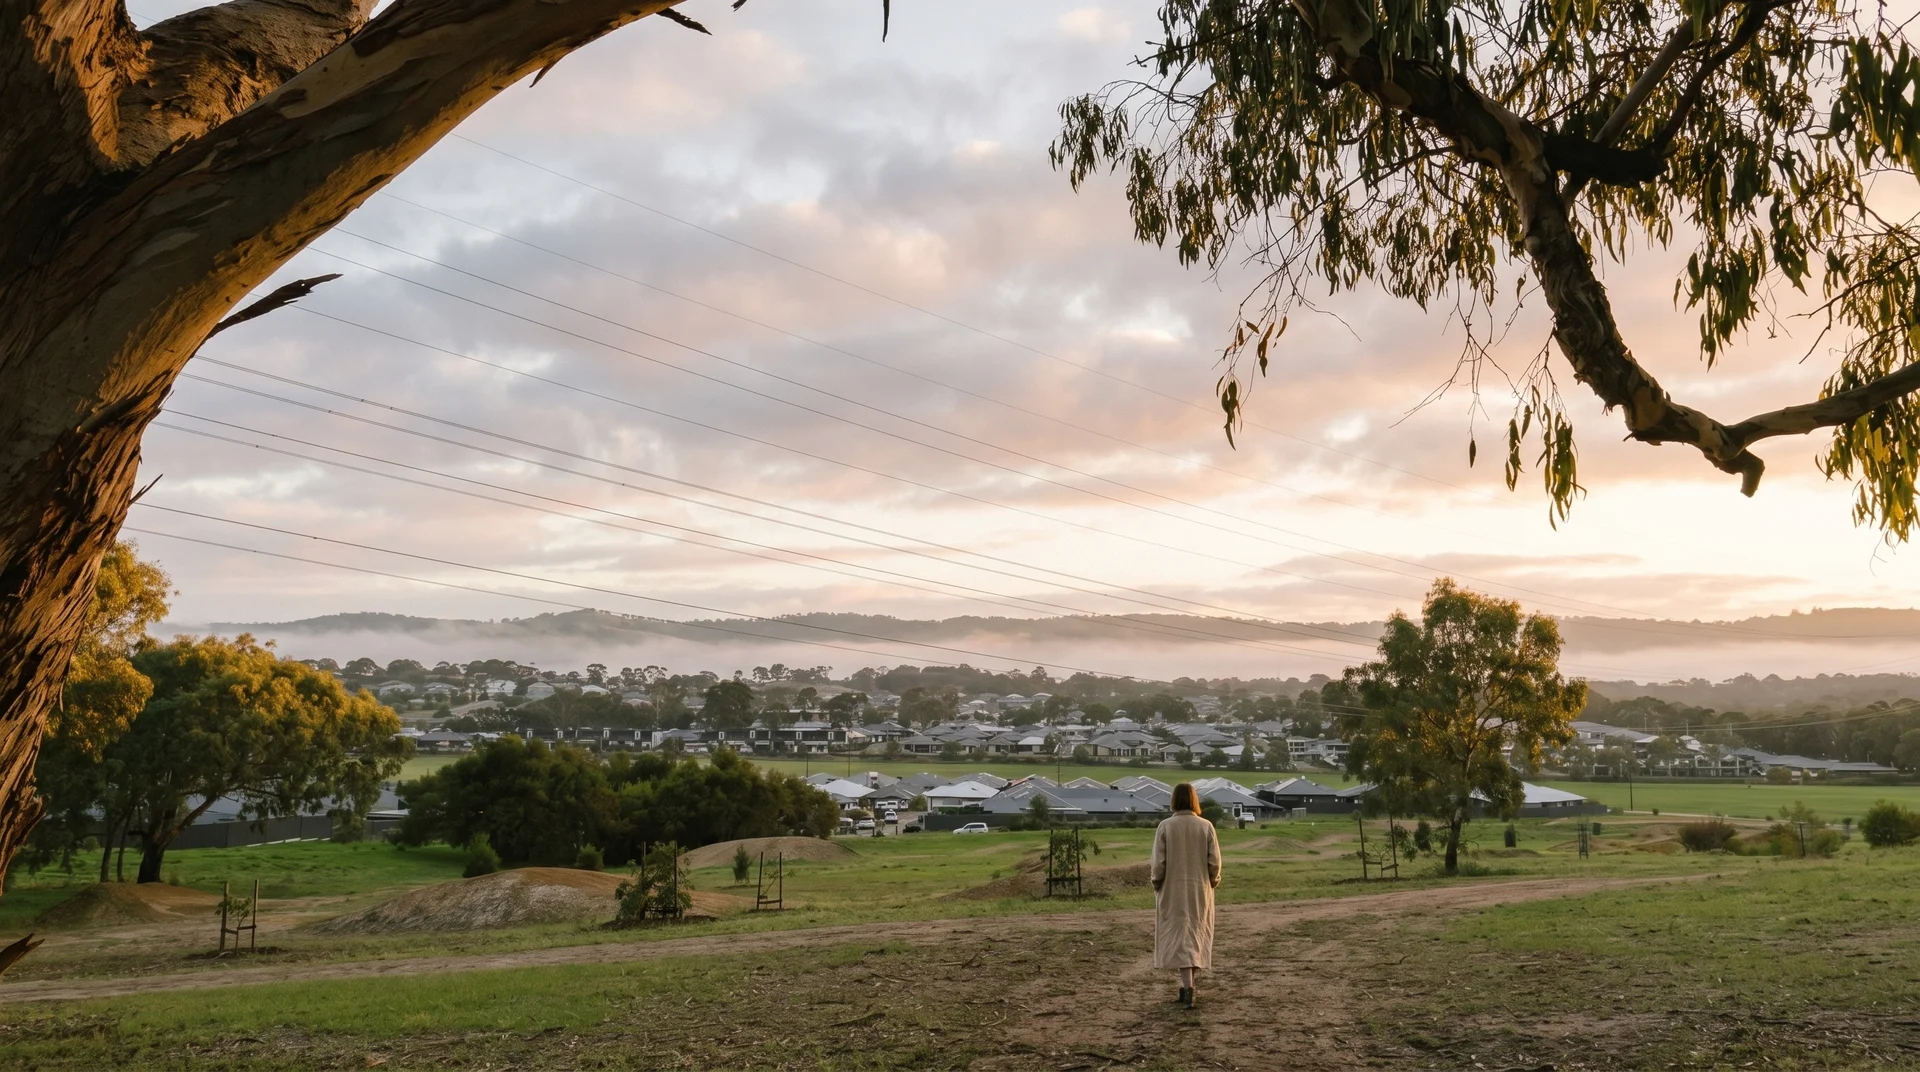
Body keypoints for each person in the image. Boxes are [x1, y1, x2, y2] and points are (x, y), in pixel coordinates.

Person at [1151, 782, 1221, 1008]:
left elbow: (1158, 864)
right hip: (1200, 890)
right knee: (1197, 934)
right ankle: (1190, 985)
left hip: (1172, 890)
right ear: (1194, 800)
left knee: (1180, 938)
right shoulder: (1206, 826)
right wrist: (1212, 882)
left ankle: (1187, 987)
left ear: (1174, 800)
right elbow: (1215, 863)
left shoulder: (1165, 826)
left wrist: (1157, 884)